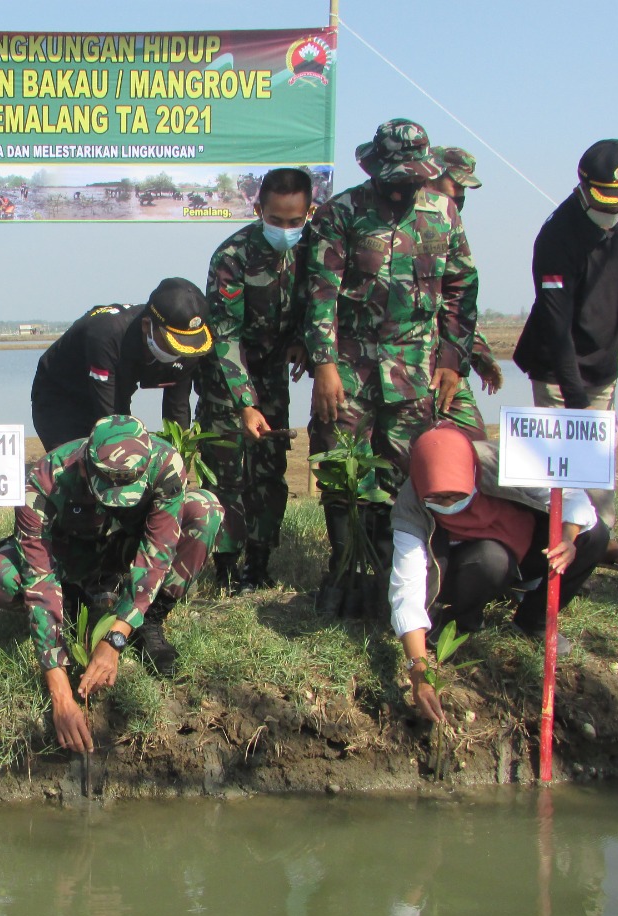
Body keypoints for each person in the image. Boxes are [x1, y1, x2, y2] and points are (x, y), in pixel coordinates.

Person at [304, 118, 479, 613]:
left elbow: (461, 289)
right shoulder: (343, 213)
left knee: (409, 472)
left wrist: (452, 360)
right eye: (395, 178)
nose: (404, 188)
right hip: (350, 370)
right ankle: (344, 569)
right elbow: (320, 293)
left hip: (414, 370)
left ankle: (395, 572)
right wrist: (324, 365)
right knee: (341, 471)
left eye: (413, 178)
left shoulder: (443, 212)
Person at [0, 415, 222, 752]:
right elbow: (38, 578)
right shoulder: (44, 480)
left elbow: (157, 555)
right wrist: (61, 695)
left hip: (122, 548)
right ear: (86, 467)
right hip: (66, 557)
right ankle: (72, 602)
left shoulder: (165, 463)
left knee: (206, 509)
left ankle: (148, 620)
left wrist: (114, 639)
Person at [390, 425, 608, 722]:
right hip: (466, 565)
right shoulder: (410, 506)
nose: (449, 504)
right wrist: (419, 671)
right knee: (491, 559)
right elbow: (407, 590)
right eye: (438, 499)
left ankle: (534, 620)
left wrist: (567, 539)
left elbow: (572, 497)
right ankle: (459, 620)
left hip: (525, 543)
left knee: (593, 537)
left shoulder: (503, 462)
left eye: (457, 495)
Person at [513, 138, 618, 572]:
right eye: (607, 203)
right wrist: (574, 395)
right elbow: (557, 325)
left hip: (604, 361)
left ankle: (600, 544)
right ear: (583, 186)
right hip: (558, 368)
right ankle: (556, 550)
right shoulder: (557, 236)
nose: (614, 212)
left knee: (600, 459)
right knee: (564, 465)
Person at [197, 168, 313, 592]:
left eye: (294, 221)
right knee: (225, 475)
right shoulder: (233, 256)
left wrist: (302, 340)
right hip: (227, 382)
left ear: (308, 213)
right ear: (259, 209)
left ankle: (258, 566)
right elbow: (224, 336)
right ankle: (225, 568)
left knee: (268, 472)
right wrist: (245, 401)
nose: (285, 229)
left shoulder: (313, 250)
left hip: (273, 376)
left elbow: (319, 305)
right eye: (276, 219)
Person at [30, 278, 212, 451]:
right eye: (172, 344)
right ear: (146, 325)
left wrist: (176, 457)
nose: (180, 353)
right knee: (83, 467)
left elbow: (177, 409)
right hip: (61, 396)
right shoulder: (106, 334)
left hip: (117, 389)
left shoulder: (187, 344)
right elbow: (110, 417)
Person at [425, 148, 504, 440]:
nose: (460, 196)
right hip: (404, 364)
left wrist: (481, 357)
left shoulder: (448, 223)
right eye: (456, 185)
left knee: (473, 440)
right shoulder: (405, 224)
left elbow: (458, 305)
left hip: (446, 361)